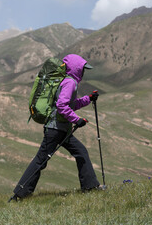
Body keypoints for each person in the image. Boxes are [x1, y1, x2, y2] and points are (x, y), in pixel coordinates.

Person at [11, 54, 102, 201]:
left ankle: (90, 187)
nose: (84, 72)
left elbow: (72, 104)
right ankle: (20, 195)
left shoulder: (68, 81)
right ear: (76, 68)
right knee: (41, 160)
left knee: (80, 152)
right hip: (55, 129)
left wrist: (88, 99)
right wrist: (76, 119)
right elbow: (61, 106)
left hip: (61, 128)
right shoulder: (70, 82)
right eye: (83, 69)